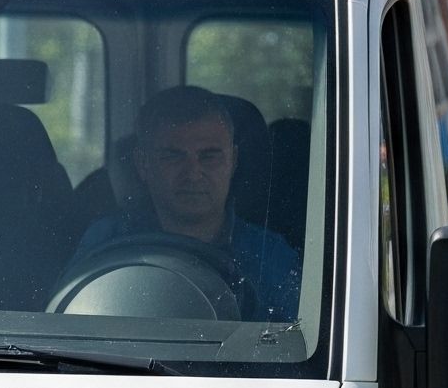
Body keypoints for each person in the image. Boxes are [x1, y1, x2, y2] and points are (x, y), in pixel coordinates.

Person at [71, 86, 301, 320]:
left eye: (209, 156)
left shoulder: (271, 257)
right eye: (173, 156)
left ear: (233, 160)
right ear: (143, 164)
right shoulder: (106, 241)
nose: (193, 173)